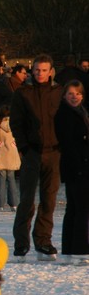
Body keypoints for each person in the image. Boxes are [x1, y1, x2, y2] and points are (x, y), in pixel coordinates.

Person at [9, 53, 62, 262]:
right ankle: (21, 244)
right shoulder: (23, 93)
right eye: (37, 70)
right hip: (32, 152)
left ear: (50, 72)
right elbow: (16, 122)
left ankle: (43, 241)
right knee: (27, 200)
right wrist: (24, 147)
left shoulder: (58, 92)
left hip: (54, 152)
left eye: (44, 70)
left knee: (49, 199)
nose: (40, 73)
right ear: (32, 70)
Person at [54, 80, 89, 265]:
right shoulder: (65, 114)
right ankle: (80, 250)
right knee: (81, 208)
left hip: (80, 165)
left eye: (78, 93)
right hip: (76, 166)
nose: (75, 97)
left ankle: (69, 249)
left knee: (74, 207)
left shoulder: (82, 112)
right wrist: (79, 166)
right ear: (64, 96)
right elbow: (67, 143)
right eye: (71, 94)